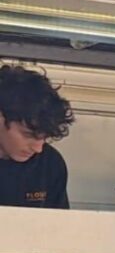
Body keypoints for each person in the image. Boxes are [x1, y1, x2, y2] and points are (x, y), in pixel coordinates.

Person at [0, 64, 74, 209]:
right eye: (28, 135)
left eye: (44, 138)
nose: (38, 148)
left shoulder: (50, 163)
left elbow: (58, 227)